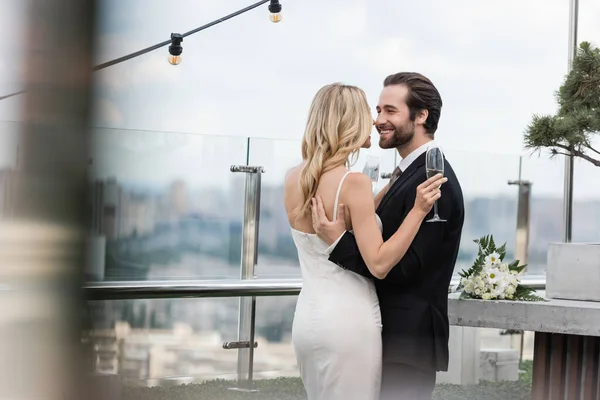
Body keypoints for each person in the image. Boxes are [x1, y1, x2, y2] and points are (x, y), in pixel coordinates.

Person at [283, 82, 447, 400]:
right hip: (348, 322)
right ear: (350, 121)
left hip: (307, 321)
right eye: (367, 112)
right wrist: (418, 209)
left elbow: (345, 219)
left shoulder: (295, 177)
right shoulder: (352, 182)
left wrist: (383, 190)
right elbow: (380, 263)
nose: (374, 121)